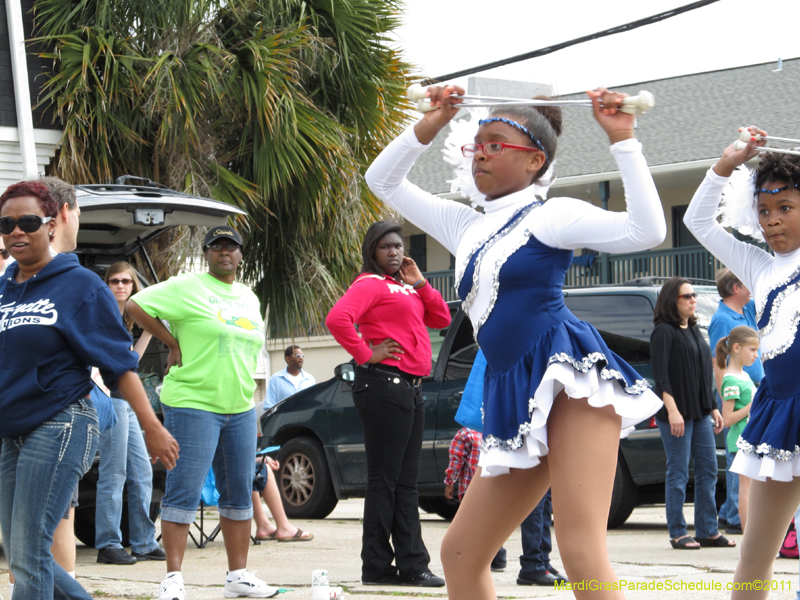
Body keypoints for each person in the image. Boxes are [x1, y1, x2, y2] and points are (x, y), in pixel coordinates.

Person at [364, 85, 666, 599]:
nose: (480, 153)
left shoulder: (550, 215)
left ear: (534, 161)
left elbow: (648, 231)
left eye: (496, 144)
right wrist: (433, 120)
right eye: (477, 144)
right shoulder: (464, 224)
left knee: (580, 548)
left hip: (569, 379)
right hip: (512, 391)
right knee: (461, 554)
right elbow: (381, 179)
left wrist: (623, 140)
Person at [0, 181, 179, 600]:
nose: (16, 231)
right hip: (11, 431)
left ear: (51, 225)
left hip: (59, 423)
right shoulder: (5, 288)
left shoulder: (80, 285)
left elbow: (119, 365)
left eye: (28, 222)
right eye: (6, 224)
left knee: (29, 553)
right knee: (22, 553)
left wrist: (151, 426)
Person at [127, 225, 278, 600]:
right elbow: (135, 305)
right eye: (216, 246)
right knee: (184, 489)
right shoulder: (187, 286)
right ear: (207, 253)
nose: (224, 252)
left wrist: (249, 404)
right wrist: (171, 342)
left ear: (241, 255)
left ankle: (238, 576)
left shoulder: (248, 297)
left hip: (239, 406)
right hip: (193, 402)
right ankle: (173, 579)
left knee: (239, 492)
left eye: (231, 246)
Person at [683, 126, 800, 598]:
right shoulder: (758, 265)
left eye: (786, 207)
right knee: (754, 554)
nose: (772, 220)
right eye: (764, 210)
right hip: (780, 414)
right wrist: (728, 163)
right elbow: (697, 221)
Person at [326, 221, 451, 587]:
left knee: (405, 483)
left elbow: (441, 318)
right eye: (385, 247)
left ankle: (403, 565)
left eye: (398, 246)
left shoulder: (406, 287)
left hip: (411, 389)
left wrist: (421, 284)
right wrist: (366, 354)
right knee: (386, 481)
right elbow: (337, 319)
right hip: (384, 386)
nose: (394, 252)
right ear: (372, 251)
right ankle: (386, 566)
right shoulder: (369, 283)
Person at [650, 276, 731, 550]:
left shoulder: (694, 329)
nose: (693, 299)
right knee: (678, 472)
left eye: (694, 295)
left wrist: (714, 407)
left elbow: (702, 374)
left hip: (700, 412)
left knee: (709, 470)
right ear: (672, 300)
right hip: (677, 414)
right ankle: (678, 532)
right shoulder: (664, 332)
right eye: (687, 296)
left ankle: (708, 530)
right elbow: (661, 377)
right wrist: (672, 411)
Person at [94, 262, 166, 564]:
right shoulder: (101, 315)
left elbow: (130, 360)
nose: (121, 286)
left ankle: (144, 542)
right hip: (110, 398)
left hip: (128, 402)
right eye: (114, 281)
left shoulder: (127, 320)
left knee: (142, 472)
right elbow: (123, 363)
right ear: (106, 284)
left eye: (126, 281)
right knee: (115, 472)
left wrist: (148, 330)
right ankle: (108, 544)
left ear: (134, 286)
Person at [709, 268, 764, 535]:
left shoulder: (747, 310)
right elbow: (718, 363)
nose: (751, 288)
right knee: (741, 474)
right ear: (735, 289)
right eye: (746, 283)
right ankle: (734, 517)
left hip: (750, 390)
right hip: (740, 399)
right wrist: (725, 402)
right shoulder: (722, 319)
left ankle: (731, 514)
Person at [715, 325, 759, 532]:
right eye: (752, 350)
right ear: (736, 348)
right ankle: (747, 531)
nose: (756, 355)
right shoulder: (731, 379)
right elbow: (728, 419)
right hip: (740, 441)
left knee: (752, 488)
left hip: (750, 438)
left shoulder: (743, 375)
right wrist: (752, 405)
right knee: (746, 488)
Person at [263, 345, 316, 410]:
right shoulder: (276, 379)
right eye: (297, 356)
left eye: (302, 355)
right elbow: (269, 406)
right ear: (288, 359)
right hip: (283, 416)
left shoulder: (309, 379)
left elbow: (314, 404)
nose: (301, 358)